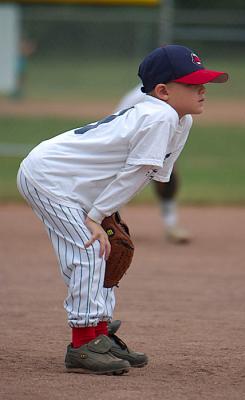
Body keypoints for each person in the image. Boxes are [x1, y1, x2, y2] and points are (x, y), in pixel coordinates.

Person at [17, 44, 228, 375]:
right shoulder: (159, 116)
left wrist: (106, 214)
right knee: (87, 251)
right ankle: (83, 344)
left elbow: (147, 174)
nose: (203, 89)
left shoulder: (178, 119)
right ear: (163, 91)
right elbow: (136, 172)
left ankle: (99, 333)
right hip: (50, 178)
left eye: (204, 82)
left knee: (110, 248)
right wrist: (96, 215)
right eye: (192, 83)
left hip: (75, 183)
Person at [115, 85, 189, 244]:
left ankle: (171, 224)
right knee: (117, 181)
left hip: (158, 138)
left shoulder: (176, 92)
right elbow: (117, 122)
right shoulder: (138, 95)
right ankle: (107, 221)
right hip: (128, 142)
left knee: (168, 176)